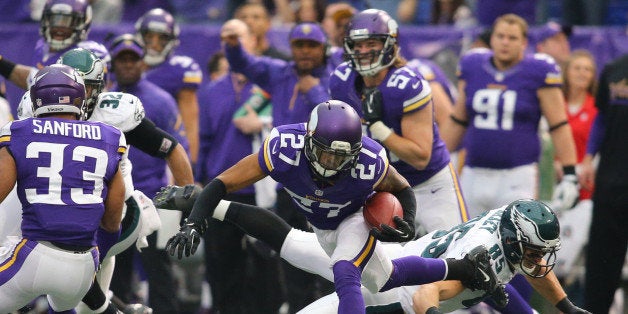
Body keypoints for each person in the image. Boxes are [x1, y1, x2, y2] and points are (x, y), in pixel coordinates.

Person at [164, 100, 500, 314]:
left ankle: (463, 268)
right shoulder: (284, 148)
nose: (331, 163)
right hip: (322, 227)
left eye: (341, 157)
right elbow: (223, 182)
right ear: (309, 140)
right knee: (381, 278)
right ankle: (463, 268)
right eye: (326, 153)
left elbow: (402, 187)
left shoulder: (369, 161)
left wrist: (407, 219)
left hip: (353, 217)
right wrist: (195, 219)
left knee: (345, 269)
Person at [14, 47, 194, 313]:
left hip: (114, 217)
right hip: (53, 214)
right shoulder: (35, 108)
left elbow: (171, 148)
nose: (74, 95)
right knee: (75, 293)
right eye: (70, 85)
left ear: (99, 87)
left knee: (76, 296)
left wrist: (187, 207)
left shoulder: (115, 113)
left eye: (85, 87)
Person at [222, 20, 335, 312]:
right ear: (291, 48)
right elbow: (245, 63)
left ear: (324, 49)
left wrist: (315, 91)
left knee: (331, 256)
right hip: (290, 183)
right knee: (293, 255)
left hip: (328, 184)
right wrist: (233, 45)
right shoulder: (280, 72)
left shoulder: (336, 77)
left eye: (312, 46)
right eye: (300, 45)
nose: (306, 52)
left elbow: (336, 120)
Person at [329, 9, 469, 235]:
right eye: (358, 44)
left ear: (390, 44)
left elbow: (420, 157)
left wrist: (378, 128)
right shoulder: (341, 81)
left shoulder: (406, 85)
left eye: (371, 43)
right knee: (387, 266)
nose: (363, 51)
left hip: (427, 185)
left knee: (455, 257)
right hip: (379, 188)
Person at [0, 64, 126, 313]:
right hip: (82, 269)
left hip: (34, 255)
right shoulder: (110, 137)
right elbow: (112, 221)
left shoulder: (19, 132)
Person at [440, 13, 579, 217]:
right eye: (500, 36)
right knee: (467, 243)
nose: (505, 42)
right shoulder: (473, 65)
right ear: (492, 39)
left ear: (524, 42)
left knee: (515, 243)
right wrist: (436, 163)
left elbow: (558, 125)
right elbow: (458, 120)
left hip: (517, 175)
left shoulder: (538, 70)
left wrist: (570, 175)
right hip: (473, 172)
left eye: (512, 38)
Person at [195, 18, 281, 314]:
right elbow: (204, 139)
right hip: (221, 187)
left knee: (267, 264)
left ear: (253, 43)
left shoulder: (272, 83)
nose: (232, 43)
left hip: (262, 190)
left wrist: (264, 123)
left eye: (239, 37)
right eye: (226, 38)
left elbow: (296, 127)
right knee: (222, 263)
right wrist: (199, 180)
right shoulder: (211, 90)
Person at [105, 34, 191, 313]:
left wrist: (182, 198)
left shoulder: (161, 100)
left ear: (143, 63)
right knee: (115, 269)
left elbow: (179, 148)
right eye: (122, 59)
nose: (128, 65)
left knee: (160, 269)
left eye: (133, 59)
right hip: (116, 201)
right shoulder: (104, 101)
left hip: (156, 199)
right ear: (112, 64)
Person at [579, 52, 628, 314]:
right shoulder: (613, 68)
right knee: (601, 263)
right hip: (611, 181)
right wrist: (588, 157)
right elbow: (601, 118)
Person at [135, 8, 203, 165]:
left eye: (162, 38)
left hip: (163, 148)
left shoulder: (180, 69)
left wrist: (190, 164)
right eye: (149, 36)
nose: (154, 44)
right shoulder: (125, 64)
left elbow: (190, 123)